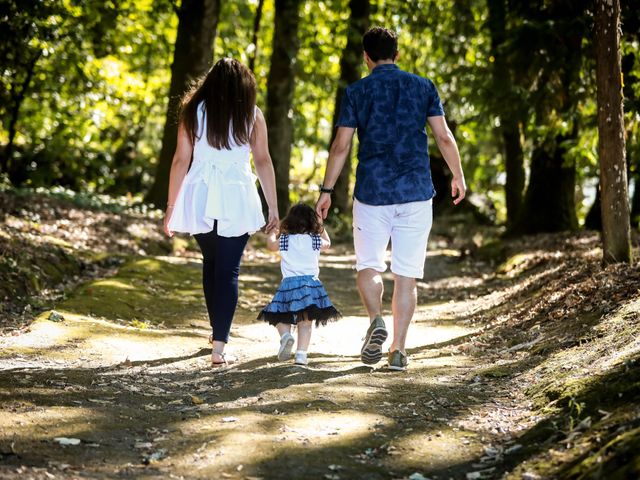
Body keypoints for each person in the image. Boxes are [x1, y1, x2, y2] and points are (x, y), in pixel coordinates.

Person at [316, 27, 466, 371]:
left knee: (369, 266)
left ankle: (376, 320)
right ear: (396, 54)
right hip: (415, 192)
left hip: (372, 193)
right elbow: (443, 136)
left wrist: (326, 191)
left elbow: (341, 146)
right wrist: (457, 175)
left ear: (366, 57)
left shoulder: (357, 91)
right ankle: (398, 349)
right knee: (406, 275)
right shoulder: (423, 86)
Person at [163, 58, 279, 366]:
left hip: (199, 194)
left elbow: (179, 161)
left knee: (211, 263)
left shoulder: (193, 112)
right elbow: (264, 162)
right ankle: (219, 344)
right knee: (228, 269)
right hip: (236, 196)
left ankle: (218, 334)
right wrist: (273, 208)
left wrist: (171, 208)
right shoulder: (252, 115)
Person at [258, 203, 341, 365]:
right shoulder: (315, 240)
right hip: (310, 285)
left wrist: (273, 232)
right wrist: (321, 226)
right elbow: (328, 243)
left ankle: (286, 336)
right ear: (312, 223)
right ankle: (301, 355)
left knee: (279, 315)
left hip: (288, 284)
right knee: (305, 322)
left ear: (289, 221)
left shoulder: (285, 240)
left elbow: (270, 246)